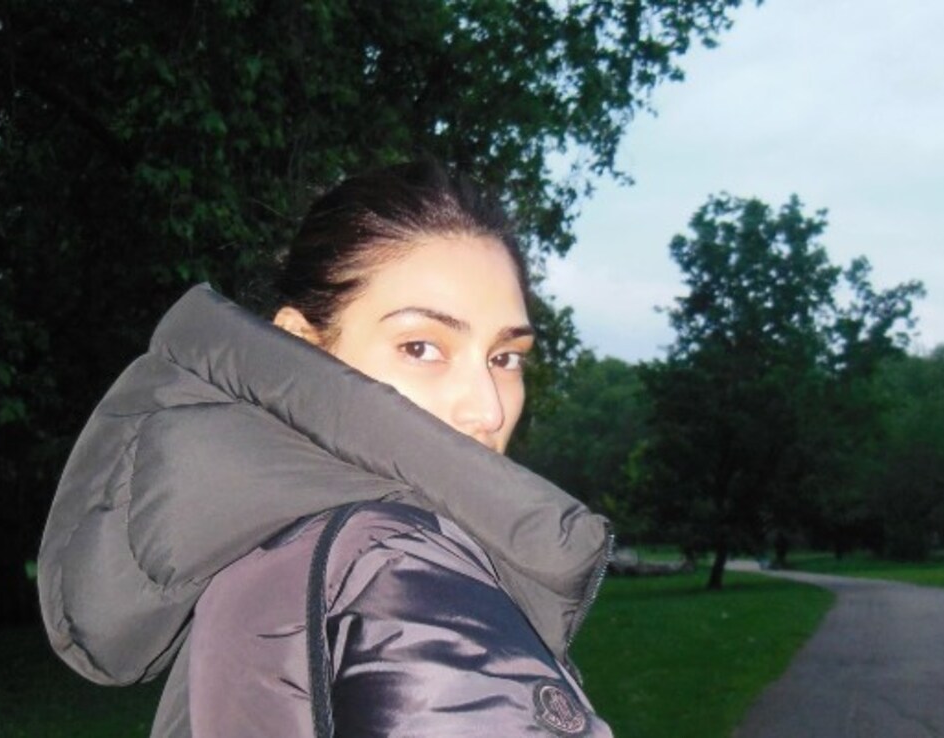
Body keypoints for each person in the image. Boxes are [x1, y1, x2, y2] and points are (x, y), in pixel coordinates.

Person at [37, 160, 614, 737]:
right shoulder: (396, 567)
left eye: (504, 358)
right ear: (300, 347)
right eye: (421, 347)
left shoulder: (278, 544)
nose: (488, 410)